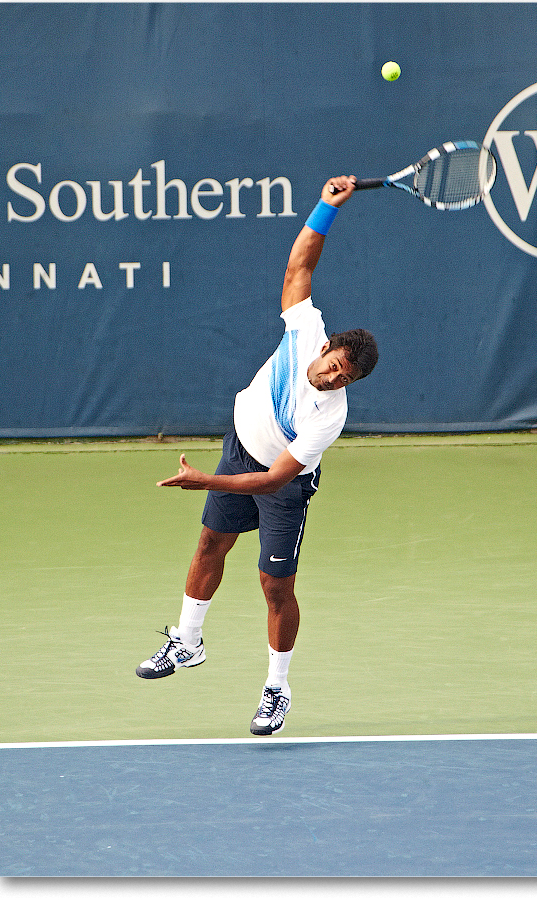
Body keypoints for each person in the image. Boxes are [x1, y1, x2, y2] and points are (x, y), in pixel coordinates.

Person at [136, 175, 379, 736]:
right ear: (326, 347)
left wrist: (207, 482)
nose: (332, 376)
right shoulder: (304, 329)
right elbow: (300, 268)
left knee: (276, 586)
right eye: (335, 363)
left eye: (345, 376)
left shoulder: (330, 416)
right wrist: (324, 207)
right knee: (209, 545)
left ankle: (277, 688)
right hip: (238, 449)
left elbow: (273, 481)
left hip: (281, 486)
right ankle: (187, 643)